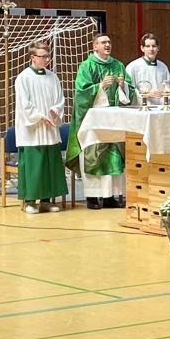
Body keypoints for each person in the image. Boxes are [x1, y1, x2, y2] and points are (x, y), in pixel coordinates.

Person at [65, 33, 133, 210]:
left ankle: (110, 196)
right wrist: (100, 86)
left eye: (109, 42)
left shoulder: (118, 65)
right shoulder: (87, 66)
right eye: (103, 42)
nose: (107, 45)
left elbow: (131, 89)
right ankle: (92, 197)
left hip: (114, 120)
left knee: (114, 156)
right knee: (93, 154)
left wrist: (123, 85)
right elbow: (81, 93)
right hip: (93, 120)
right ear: (94, 46)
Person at [13, 41, 68, 214]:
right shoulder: (23, 78)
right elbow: (24, 104)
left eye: (48, 56)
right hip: (33, 130)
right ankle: (30, 201)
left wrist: (55, 111)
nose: (47, 59)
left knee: (49, 165)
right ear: (33, 57)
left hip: (50, 127)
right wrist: (39, 116)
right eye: (43, 56)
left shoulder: (53, 77)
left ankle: (46, 201)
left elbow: (60, 99)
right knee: (34, 166)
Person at [126, 32, 170, 107]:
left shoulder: (163, 67)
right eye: (148, 46)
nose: (151, 49)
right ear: (142, 48)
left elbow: (169, 88)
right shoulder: (133, 67)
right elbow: (129, 90)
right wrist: (146, 94)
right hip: (141, 108)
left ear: (158, 48)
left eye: (154, 46)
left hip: (160, 108)